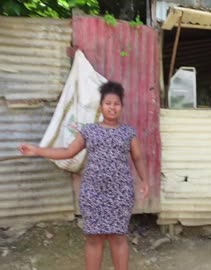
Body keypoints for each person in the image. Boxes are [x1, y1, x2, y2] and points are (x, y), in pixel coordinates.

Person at [19, 81, 149, 270]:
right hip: (93, 193)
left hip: (120, 194)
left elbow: (138, 158)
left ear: (121, 107)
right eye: (108, 103)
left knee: (118, 237)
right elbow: (67, 152)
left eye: (116, 104)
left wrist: (144, 180)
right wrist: (38, 151)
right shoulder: (89, 130)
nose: (112, 107)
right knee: (94, 238)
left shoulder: (128, 133)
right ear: (101, 106)